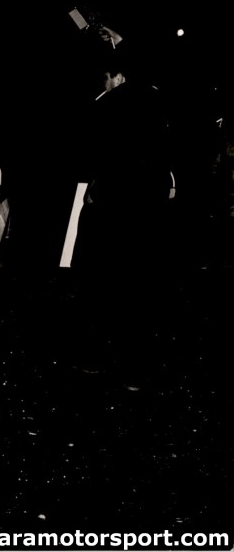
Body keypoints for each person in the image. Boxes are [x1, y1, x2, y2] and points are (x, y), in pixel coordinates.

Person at [70, 26, 176, 390]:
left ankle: (97, 356)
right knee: (140, 288)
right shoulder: (160, 104)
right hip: (146, 209)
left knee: (102, 284)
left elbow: (91, 157)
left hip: (112, 206)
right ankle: (136, 367)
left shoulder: (108, 106)